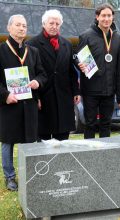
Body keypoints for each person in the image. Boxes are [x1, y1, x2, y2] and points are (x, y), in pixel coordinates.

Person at [0, 14, 47, 190]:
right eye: (18, 25)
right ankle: (10, 176)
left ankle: (29, 173)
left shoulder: (32, 51)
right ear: (9, 27)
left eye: (24, 26)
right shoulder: (1, 51)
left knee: (29, 140)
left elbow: (42, 74)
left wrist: (37, 82)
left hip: (29, 104)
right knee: (8, 141)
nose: (22, 28)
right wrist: (5, 95)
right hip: (9, 105)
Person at [28, 9, 80, 141]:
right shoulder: (32, 44)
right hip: (44, 97)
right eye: (51, 23)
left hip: (64, 97)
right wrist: (36, 96)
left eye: (57, 24)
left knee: (63, 138)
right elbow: (31, 73)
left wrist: (76, 92)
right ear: (43, 24)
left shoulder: (67, 43)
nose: (54, 26)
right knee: (43, 138)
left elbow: (71, 71)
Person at [77, 3, 120, 139]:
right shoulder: (86, 36)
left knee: (106, 123)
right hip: (91, 89)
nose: (106, 19)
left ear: (113, 18)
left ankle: (104, 155)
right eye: (103, 15)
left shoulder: (117, 38)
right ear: (97, 17)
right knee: (90, 123)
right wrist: (80, 64)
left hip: (109, 90)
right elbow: (78, 57)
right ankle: (89, 154)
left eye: (109, 16)